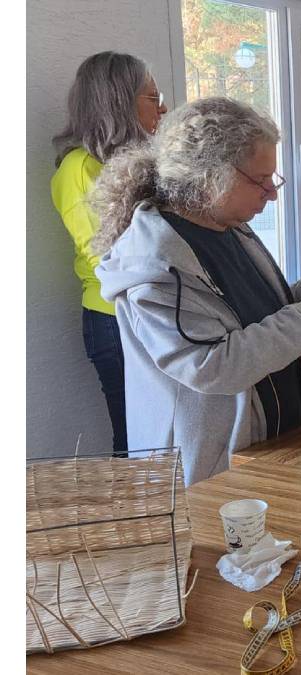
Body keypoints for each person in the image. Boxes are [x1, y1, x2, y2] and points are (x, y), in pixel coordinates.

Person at [92, 97, 301, 486]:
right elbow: (212, 365)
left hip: (267, 449)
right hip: (208, 473)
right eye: (259, 180)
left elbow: (246, 315)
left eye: (274, 178)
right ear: (208, 177)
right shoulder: (156, 268)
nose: (271, 193)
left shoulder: (228, 224)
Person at [50, 51, 168, 457]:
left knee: (166, 434)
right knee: (137, 439)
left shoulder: (146, 163)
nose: (164, 107)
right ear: (119, 102)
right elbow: (111, 254)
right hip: (115, 319)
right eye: (152, 98)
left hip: (152, 313)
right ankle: (138, 523)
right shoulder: (79, 167)